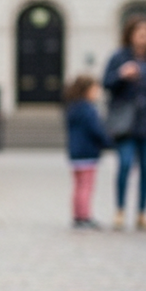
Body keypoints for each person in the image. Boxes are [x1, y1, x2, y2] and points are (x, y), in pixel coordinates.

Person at [102, 15, 146, 230]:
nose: (144, 38)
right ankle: (120, 210)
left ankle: (142, 213)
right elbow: (106, 83)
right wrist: (122, 75)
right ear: (130, 35)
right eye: (140, 34)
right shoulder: (119, 57)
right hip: (126, 123)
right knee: (124, 165)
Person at [63, 75, 110, 229]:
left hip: (75, 152)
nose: (97, 93)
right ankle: (84, 216)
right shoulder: (89, 109)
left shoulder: (72, 108)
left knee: (78, 186)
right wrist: (107, 142)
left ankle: (77, 214)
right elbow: (96, 130)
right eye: (95, 90)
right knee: (86, 186)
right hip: (88, 152)